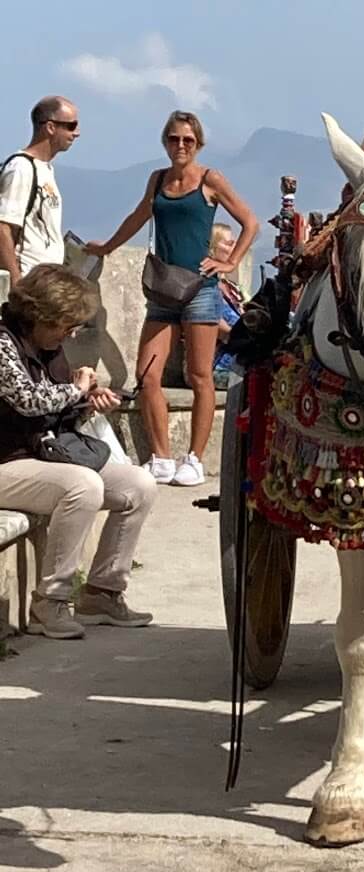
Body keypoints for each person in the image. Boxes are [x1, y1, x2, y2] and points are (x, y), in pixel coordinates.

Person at [86, 111, 259, 486]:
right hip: (163, 288)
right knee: (148, 374)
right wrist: (108, 247)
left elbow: (250, 221)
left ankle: (194, 459)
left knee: (199, 375)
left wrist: (229, 262)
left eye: (188, 140)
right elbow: (139, 215)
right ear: (165, 142)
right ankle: (161, 457)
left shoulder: (210, 180)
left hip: (200, 289)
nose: (181, 146)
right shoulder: (158, 180)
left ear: (198, 145)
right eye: (174, 139)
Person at [0, 264, 157, 639]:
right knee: (83, 486)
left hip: (42, 453)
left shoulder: (49, 345)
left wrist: (88, 399)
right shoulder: (3, 343)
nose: (71, 333)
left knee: (139, 485)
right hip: (8, 461)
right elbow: (27, 399)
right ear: (41, 315)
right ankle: (50, 601)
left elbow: (55, 407)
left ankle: (103, 592)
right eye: (65, 324)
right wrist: (76, 389)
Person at [0, 96, 80, 286]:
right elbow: (4, 227)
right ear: (51, 127)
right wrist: (15, 279)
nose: (76, 133)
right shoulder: (21, 168)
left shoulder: (45, 169)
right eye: (71, 126)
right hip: (28, 279)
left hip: (47, 282)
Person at [210, 223, 245, 390]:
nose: (234, 248)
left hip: (237, 360)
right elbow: (217, 326)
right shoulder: (204, 287)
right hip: (217, 366)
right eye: (228, 243)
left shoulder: (231, 288)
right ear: (211, 248)